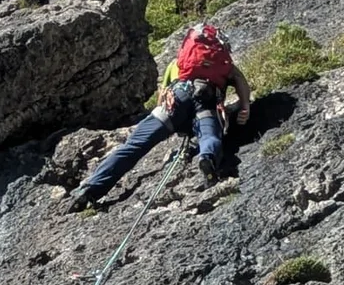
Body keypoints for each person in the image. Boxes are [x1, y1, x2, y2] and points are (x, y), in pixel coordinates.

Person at [69, 22, 252, 207]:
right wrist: (245, 105)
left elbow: (163, 95)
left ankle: (90, 189)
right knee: (209, 136)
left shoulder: (178, 63)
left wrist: (170, 122)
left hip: (176, 100)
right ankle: (207, 157)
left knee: (134, 146)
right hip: (205, 100)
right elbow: (239, 79)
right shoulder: (222, 65)